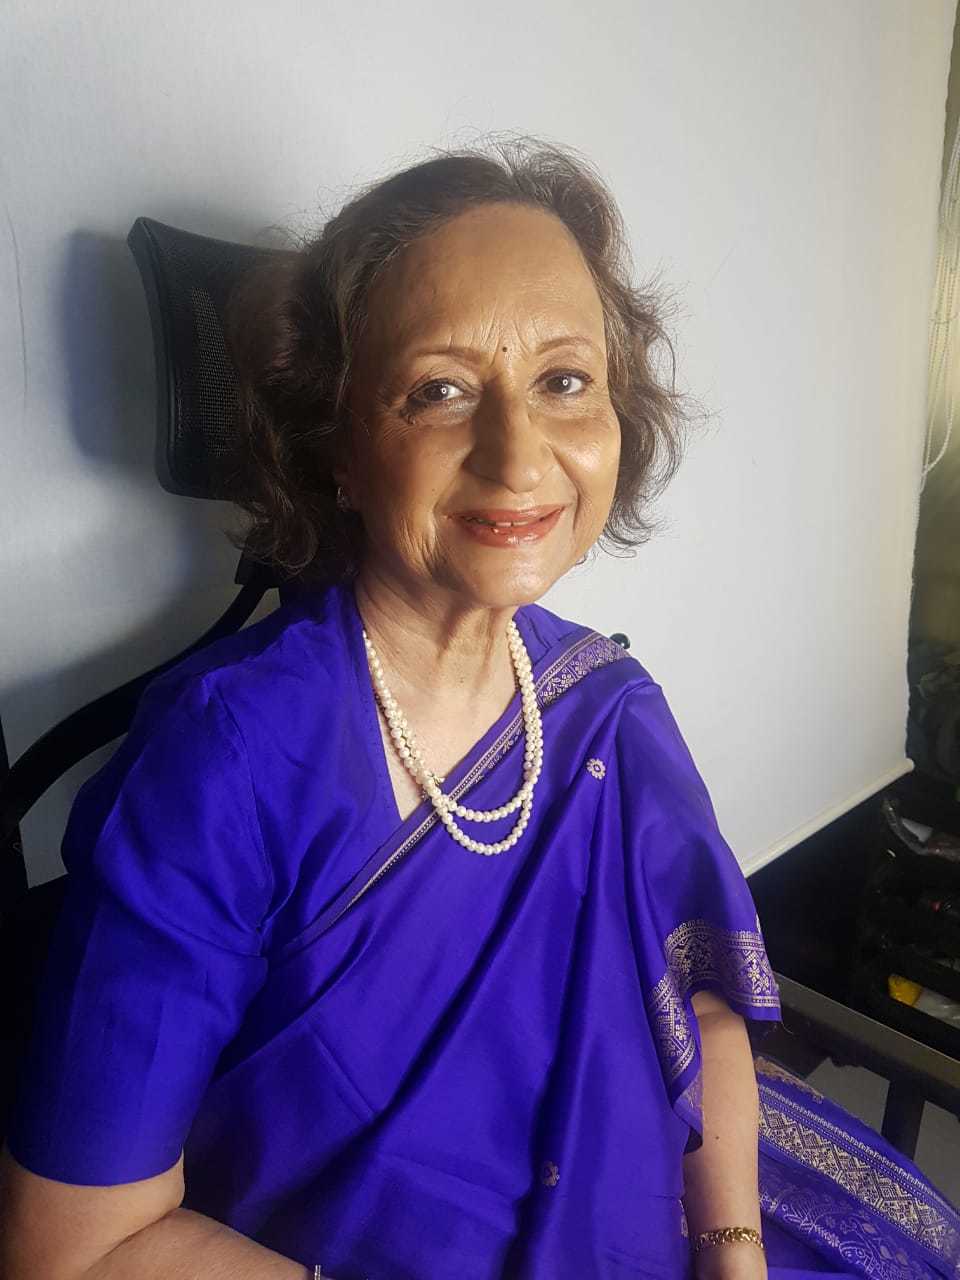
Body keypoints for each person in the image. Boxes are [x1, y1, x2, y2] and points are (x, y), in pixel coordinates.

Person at [1, 138, 957, 1280]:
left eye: (565, 380)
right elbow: (77, 1246)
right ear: (339, 446)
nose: (519, 459)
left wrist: (731, 1250)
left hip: (652, 1209)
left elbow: (700, 1014)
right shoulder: (225, 761)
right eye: (440, 391)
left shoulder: (605, 710)